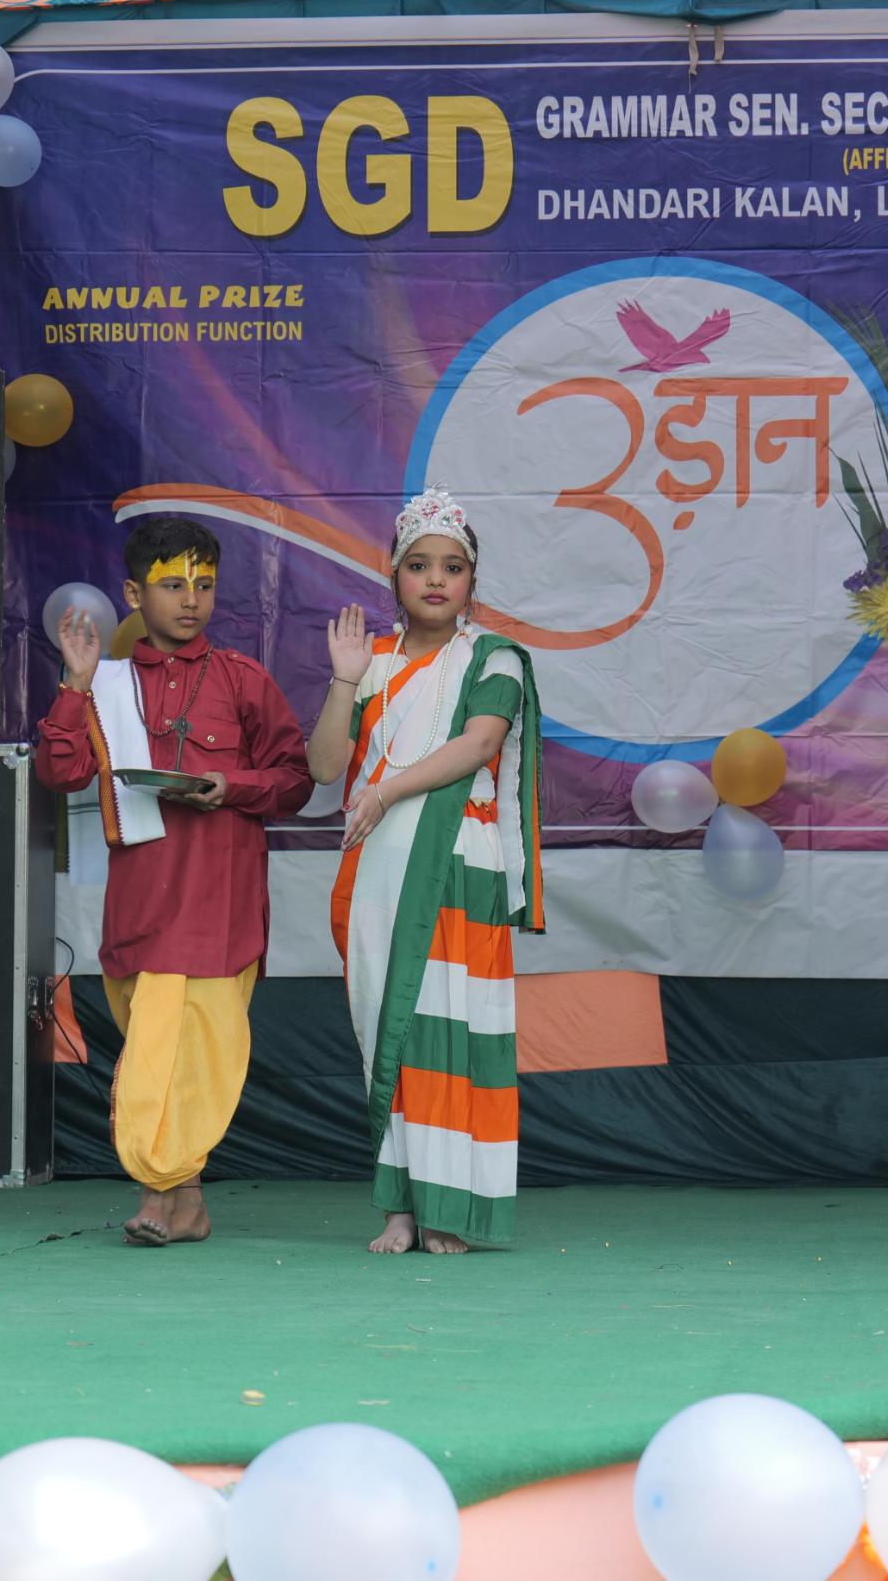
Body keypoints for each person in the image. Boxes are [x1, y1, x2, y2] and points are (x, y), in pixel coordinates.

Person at [33, 519, 315, 1246]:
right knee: (156, 1052)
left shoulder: (242, 679)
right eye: (172, 584)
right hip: (141, 904)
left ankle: (157, 1193)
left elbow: (294, 781)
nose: (191, 599)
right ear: (134, 594)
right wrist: (74, 683)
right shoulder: (106, 684)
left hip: (220, 905)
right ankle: (188, 1203)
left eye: (204, 584)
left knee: (191, 1054)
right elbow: (61, 772)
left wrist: (232, 784)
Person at [305, 487, 543, 1255]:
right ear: (395, 575)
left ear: (472, 580)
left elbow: (479, 744)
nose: (436, 579)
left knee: (452, 1029)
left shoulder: (493, 658)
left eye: (452, 566)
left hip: (458, 863)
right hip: (380, 868)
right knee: (392, 1033)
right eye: (418, 565)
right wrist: (345, 680)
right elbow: (324, 767)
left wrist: (389, 790)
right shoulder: (372, 662)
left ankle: (450, 1206)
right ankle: (400, 1208)